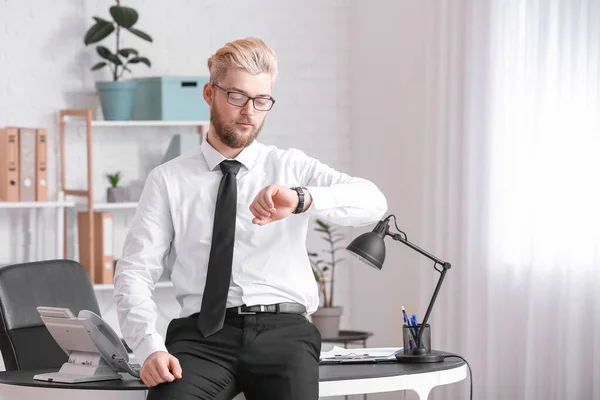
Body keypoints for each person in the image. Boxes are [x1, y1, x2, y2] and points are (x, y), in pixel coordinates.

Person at [113, 37, 387, 400]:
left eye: (262, 101)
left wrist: (302, 198)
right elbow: (134, 271)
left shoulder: (290, 166)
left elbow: (373, 201)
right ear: (210, 93)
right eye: (238, 97)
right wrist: (148, 347)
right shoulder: (167, 179)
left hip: (284, 333)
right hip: (201, 338)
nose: (250, 112)